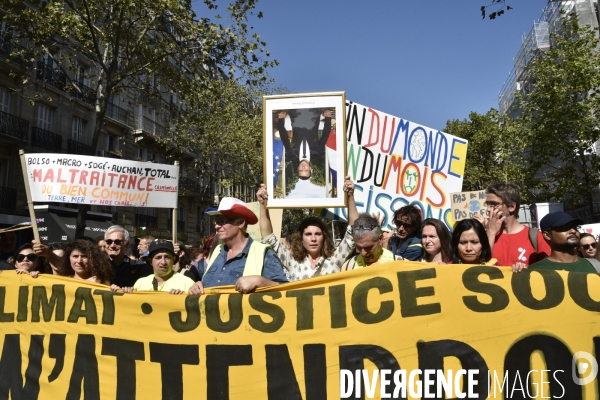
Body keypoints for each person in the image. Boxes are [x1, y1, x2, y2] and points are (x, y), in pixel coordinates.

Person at [256, 176, 359, 281]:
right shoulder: (292, 261)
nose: (313, 239)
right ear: (301, 238)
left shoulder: (335, 258)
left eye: (318, 234)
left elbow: (354, 231)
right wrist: (262, 204)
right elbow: (268, 238)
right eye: (308, 234)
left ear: (324, 237)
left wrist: (350, 196)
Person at [188, 197, 288, 295]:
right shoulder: (217, 251)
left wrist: (261, 281)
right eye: (216, 221)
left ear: (240, 223)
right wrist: (198, 285)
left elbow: (286, 290)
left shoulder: (264, 253)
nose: (216, 226)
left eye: (222, 221)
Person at [482, 183, 550, 268]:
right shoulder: (485, 236)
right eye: (487, 204)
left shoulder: (535, 237)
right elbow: (480, 267)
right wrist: (491, 233)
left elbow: (547, 271)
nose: (488, 209)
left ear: (511, 207)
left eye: (494, 204)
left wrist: (527, 271)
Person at [113, 240, 195, 294]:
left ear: (173, 259)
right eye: (158, 258)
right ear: (150, 261)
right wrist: (124, 294)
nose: (163, 262)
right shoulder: (140, 283)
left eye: (167, 257)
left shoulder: (187, 283)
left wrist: (182, 298)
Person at [528, 212, 599, 273]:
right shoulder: (534, 271)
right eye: (565, 228)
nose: (573, 231)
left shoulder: (595, 266)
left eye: (575, 227)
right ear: (547, 235)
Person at [277, 109, 333, 180]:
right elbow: (325, 135)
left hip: (296, 117)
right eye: (306, 170)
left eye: (301, 170)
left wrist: (281, 119)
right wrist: (327, 117)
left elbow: (284, 137)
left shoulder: (291, 154)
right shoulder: (318, 153)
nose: (303, 167)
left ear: (298, 168)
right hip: (313, 117)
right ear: (310, 168)